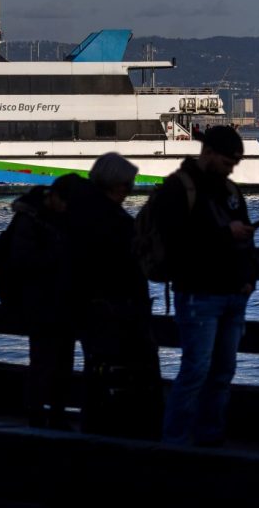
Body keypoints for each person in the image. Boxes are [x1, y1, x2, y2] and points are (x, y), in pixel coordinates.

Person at [145, 126, 258, 446]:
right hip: (198, 293)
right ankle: (177, 438)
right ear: (208, 153)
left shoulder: (230, 191)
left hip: (232, 293)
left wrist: (250, 278)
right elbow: (176, 241)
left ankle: (209, 436)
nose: (231, 168)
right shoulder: (177, 190)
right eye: (227, 161)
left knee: (222, 372)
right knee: (196, 370)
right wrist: (227, 235)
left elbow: (244, 242)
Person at [74, 153, 162, 438]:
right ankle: (127, 427)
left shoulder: (82, 215)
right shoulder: (114, 220)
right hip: (118, 309)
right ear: (116, 185)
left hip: (92, 308)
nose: (130, 190)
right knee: (127, 368)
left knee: (97, 367)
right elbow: (131, 262)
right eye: (128, 185)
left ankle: (98, 424)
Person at [6, 173, 80, 429]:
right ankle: (42, 414)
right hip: (42, 301)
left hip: (53, 300)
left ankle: (50, 413)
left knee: (56, 361)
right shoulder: (32, 220)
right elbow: (24, 260)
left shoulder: (40, 217)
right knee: (45, 361)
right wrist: (58, 256)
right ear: (55, 197)